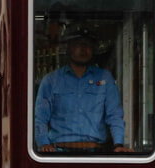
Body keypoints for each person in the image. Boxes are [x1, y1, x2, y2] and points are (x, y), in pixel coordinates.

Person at [35, 25, 129, 153]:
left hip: (95, 153)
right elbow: (40, 118)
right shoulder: (51, 80)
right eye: (78, 44)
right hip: (59, 153)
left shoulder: (104, 78)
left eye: (88, 45)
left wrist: (118, 144)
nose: (83, 49)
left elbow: (115, 115)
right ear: (68, 47)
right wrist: (44, 144)